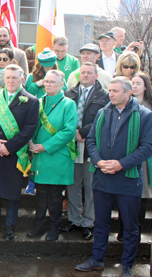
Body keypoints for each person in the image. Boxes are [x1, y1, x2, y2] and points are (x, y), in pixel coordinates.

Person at [75, 77, 152, 276]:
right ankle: (97, 259)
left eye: (115, 91)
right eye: (110, 90)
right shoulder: (103, 113)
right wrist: (98, 161)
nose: (110, 94)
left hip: (127, 179)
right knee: (100, 223)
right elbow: (91, 140)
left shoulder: (144, 115)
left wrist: (121, 164)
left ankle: (127, 265)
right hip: (102, 177)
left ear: (128, 93)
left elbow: (148, 147)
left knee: (130, 226)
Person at [0, 64, 39, 240]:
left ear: (22, 79)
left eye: (14, 77)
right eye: (8, 77)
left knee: (12, 194)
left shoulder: (32, 101)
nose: (11, 81)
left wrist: (9, 147)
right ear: (3, 79)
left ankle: (9, 227)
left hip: (14, 153)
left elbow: (29, 128)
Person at [27, 70, 77, 241]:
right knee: (40, 194)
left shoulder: (68, 104)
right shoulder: (39, 102)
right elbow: (33, 125)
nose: (48, 84)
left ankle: (54, 228)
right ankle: (39, 226)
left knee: (55, 196)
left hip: (57, 156)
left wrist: (45, 146)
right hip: (40, 157)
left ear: (61, 84)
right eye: (46, 81)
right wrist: (31, 143)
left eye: (52, 82)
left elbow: (69, 131)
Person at [62, 62, 110, 240]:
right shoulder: (69, 93)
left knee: (90, 186)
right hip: (71, 145)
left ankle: (88, 222)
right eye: (83, 73)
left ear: (96, 75)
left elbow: (103, 119)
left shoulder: (104, 96)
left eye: (89, 73)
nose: (85, 76)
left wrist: (82, 133)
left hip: (91, 146)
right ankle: (74, 219)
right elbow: (63, 115)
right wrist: (71, 133)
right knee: (73, 185)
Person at [126, 72, 152, 241]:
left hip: (146, 158)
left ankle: (137, 230)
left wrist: (142, 147)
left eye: (138, 83)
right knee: (126, 194)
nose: (134, 85)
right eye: (132, 82)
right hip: (125, 155)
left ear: (146, 86)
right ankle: (124, 230)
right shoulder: (125, 105)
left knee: (141, 195)